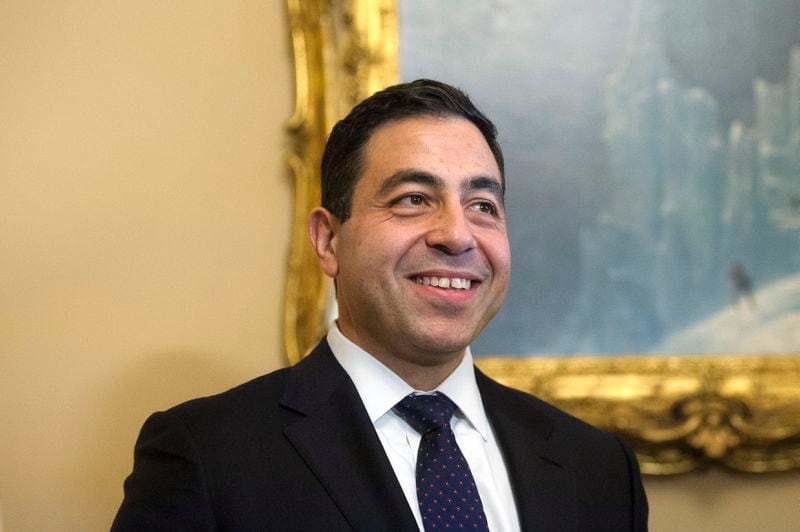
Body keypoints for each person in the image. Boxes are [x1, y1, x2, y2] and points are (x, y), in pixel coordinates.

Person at [113, 79, 648, 531]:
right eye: (413, 199)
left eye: (483, 205)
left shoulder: (596, 467)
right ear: (328, 241)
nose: (457, 236)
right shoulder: (207, 457)